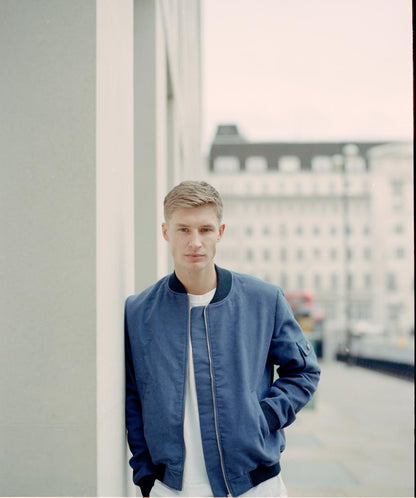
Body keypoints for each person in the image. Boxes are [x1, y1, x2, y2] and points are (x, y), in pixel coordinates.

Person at [125, 181, 320, 497]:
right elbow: (134, 396)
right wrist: (146, 476)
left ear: (220, 231)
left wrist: (261, 418)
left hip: (256, 485)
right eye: (183, 230)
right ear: (165, 232)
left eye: (205, 229)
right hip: (169, 487)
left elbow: (304, 372)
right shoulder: (138, 311)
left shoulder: (264, 300)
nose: (195, 242)